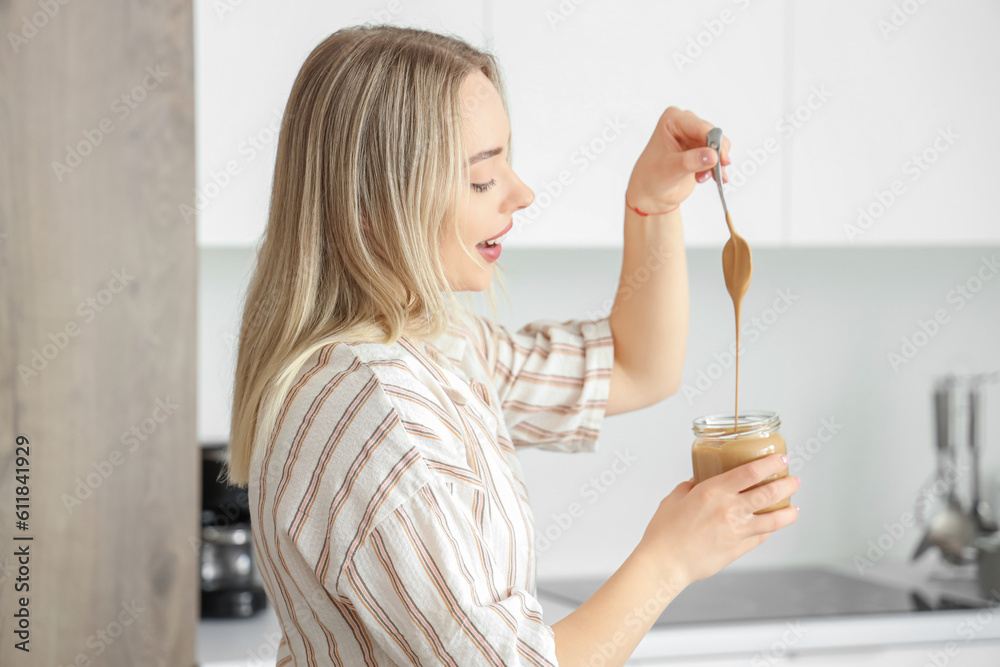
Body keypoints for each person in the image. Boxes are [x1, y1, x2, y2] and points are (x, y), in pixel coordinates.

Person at [224, 24, 800, 667]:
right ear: (373, 208)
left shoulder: (438, 347)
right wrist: (670, 560)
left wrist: (653, 205)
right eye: (480, 180)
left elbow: (637, 367)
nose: (521, 194)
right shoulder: (374, 407)